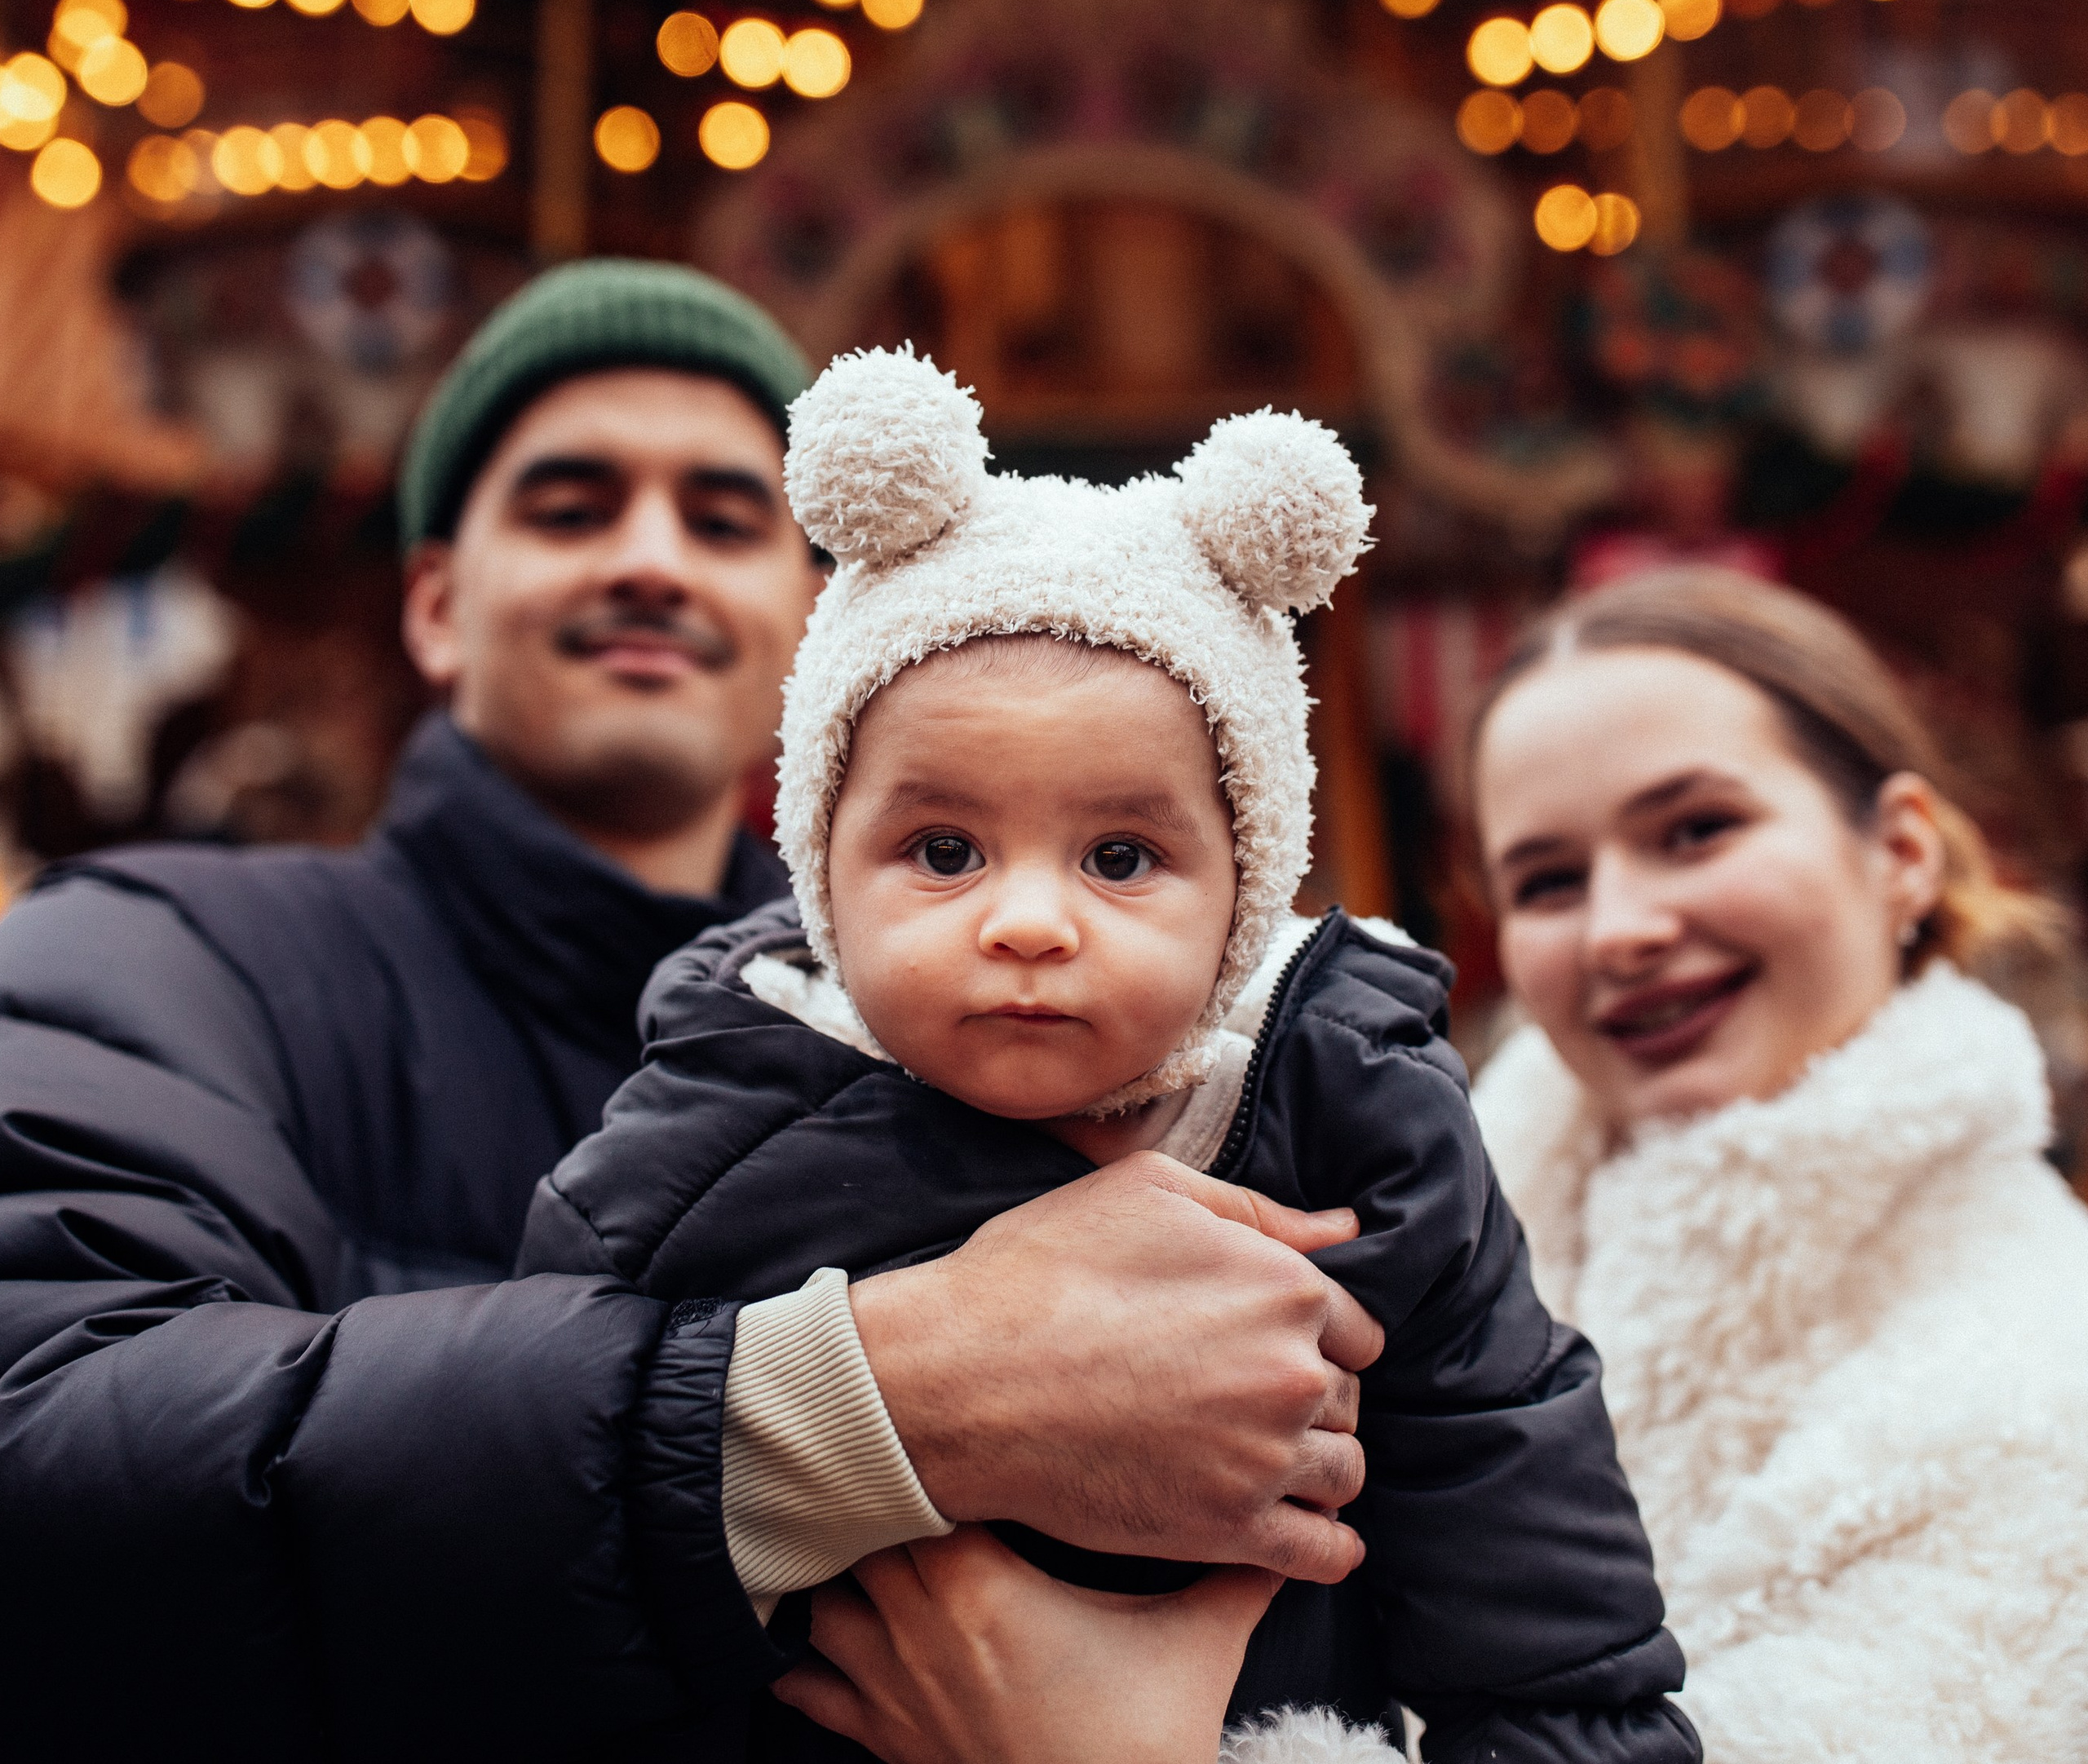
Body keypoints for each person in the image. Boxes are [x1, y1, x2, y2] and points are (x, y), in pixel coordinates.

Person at [0, 264, 1382, 1760]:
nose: (650, 560)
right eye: (570, 507)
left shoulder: (1145, 1045)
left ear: (817, 626)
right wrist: (850, 1409)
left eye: (724, 520)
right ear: (436, 606)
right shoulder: (164, 955)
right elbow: (53, 1446)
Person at [520, 349, 1698, 1764]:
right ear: (821, 866)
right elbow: (554, 1493)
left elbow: (1535, 1583)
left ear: (1248, 882)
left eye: (1122, 856)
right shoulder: (711, 1122)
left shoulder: (1363, 1123)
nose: (1027, 921)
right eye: (942, 852)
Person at [1462, 566, 2088, 1762]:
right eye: (1548, 880)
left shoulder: (2047, 1373)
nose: (1620, 929)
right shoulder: (1386, 1266)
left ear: (1902, 850)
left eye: (1696, 830)